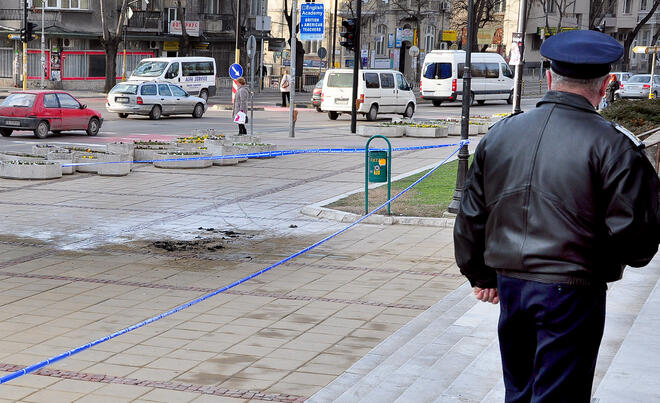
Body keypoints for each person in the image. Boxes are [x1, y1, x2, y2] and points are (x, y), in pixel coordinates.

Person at [454, 30, 660, 403]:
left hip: (512, 285)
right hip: (572, 292)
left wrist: (482, 274)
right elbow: (639, 243)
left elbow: (470, 215)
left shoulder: (501, 133)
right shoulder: (615, 144)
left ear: (549, 77)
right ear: (606, 84)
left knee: (519, 391)